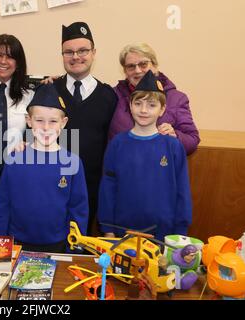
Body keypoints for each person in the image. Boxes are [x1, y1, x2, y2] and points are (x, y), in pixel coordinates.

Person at [0, 83, 89, 253]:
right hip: (16, 243)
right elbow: (2, 204)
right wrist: (0, 243)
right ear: (28, 121)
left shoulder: (73, 162)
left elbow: (78, 210)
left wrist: (75, 248)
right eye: (39, 120)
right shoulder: (15, 158)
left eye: (53, 121)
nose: (45, 128)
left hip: (58, 244)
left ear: (63, 122)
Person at [97, 70, 192, 241]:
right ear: (130, 105)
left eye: (151, 105)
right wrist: (108, 228)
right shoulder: (117, 144)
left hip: (164, 232)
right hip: (121, 230)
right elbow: (108, 188)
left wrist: (180, 232)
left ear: (162, 109)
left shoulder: (173, 146)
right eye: (138, 103)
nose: (143, 110)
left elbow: (182, 191)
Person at [52, 22, 118, 234]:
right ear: (62, 55)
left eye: (82, 51)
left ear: (93, 53)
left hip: (91, 187)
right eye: (69, 52)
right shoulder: (49, 91)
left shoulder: (109, 96)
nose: (76, 57)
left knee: (82, 243)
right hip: (51, 182)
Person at [109, 43, 200, 155]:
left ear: (155, 65)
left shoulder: (176, 99)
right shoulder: (112, 96)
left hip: (159, 168)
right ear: (125, 70)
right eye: (131, 66)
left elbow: (192, 141)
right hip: (121, 168)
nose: (137, 70)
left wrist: (175, 135)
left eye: (143, 64)